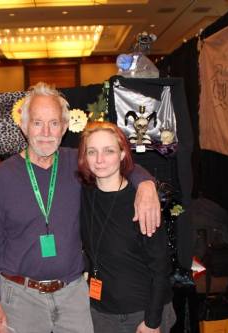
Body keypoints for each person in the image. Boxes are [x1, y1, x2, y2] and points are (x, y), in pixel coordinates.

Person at [0, 82, 161, 333]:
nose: (46, 132)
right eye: (37, 123)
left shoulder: (76, 163)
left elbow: (115, 160)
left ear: (64, 128)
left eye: (54, 123)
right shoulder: (2, 175)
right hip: (20, 298)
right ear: (23, 126)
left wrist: (146, 184)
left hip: (72, 295)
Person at [78, 122, 175, 333]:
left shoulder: (142, 201)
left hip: (143, 313)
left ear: (123, 154)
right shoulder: (84, 193)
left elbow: (161, 267)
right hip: (101, 312)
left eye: (109, 151)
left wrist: (152, 321)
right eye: (92, 152)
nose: (100, 160)